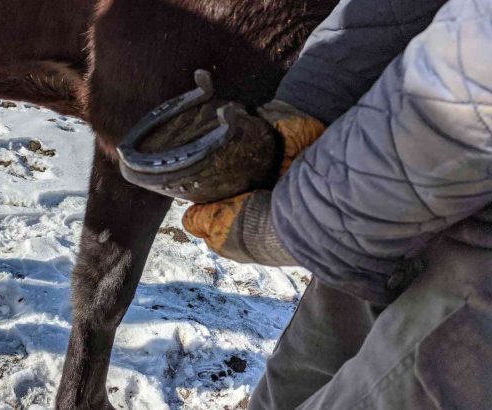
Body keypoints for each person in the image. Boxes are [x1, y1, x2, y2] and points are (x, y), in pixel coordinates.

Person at [182, 0, 492, 408]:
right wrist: (311, 102)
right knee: (298, 375)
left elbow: (476, 89)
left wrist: (298, 224)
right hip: (408, 164)